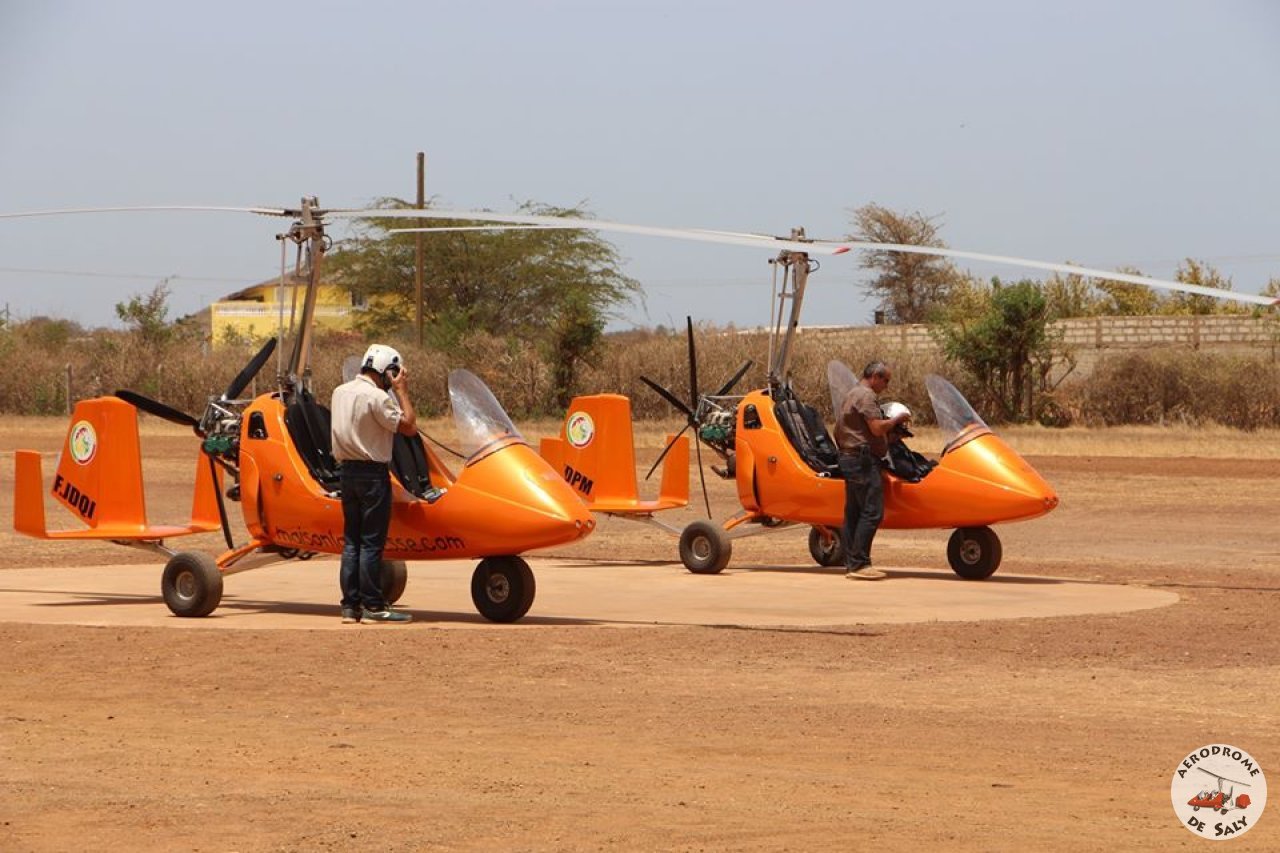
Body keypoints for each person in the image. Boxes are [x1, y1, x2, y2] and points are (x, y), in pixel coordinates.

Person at [330, 343, 436, 623]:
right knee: (370, 543)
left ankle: (350, 607)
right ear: (387, 371)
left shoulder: (340, 393)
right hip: (372, 475)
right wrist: (402, 392)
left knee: (351, 542)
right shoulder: (377, 398)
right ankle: (374, 607)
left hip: (347, 474)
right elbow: (410, 426)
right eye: (395, 373)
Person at [834, 361, 910, 580]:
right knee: (872, 511)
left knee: (854, 513)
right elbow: (876, 428)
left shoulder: (852, 393)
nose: (886, 385)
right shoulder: (866, 396)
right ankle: (860, 564)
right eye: (886, 380)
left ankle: (852, 562)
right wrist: (896, 420)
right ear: (875, 376)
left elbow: (849, 429)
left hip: (850, 457)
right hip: (862, 461)